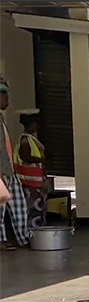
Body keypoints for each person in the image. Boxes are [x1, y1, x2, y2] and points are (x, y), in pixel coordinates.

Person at [0, 77, 30, 251]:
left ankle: (22, 237)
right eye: (5, 97)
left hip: (9, 171)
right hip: (2, 172)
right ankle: (2, 240)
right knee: (1, 209)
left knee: (19, 207)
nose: (8, 101)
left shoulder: (1, 120)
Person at [13, 109, 47, 229]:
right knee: (33, 209)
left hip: (35, 182)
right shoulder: (25, 140)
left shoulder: (31, 139)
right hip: (30, 182)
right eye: (36, 123)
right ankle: (32, 234)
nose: (37, 126)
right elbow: (25, 156)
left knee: (38, 209)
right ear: (30, 124)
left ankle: (36, 234)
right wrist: (42, 160)